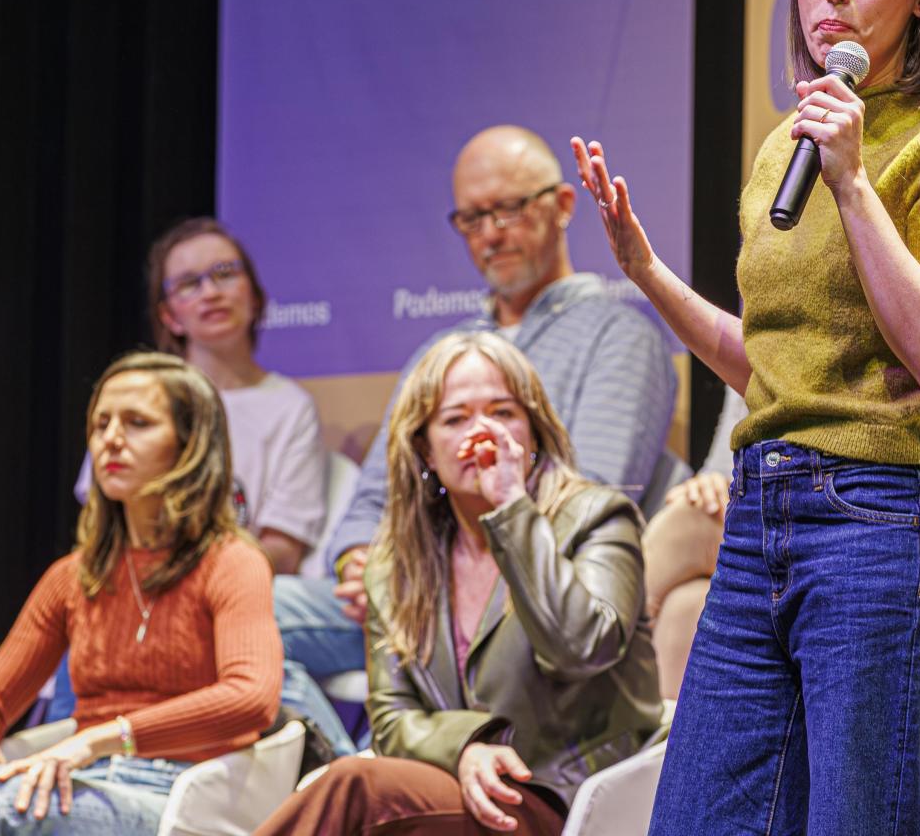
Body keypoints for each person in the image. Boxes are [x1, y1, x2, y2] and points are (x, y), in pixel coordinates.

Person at [574, 0, 920, 831]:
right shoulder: (787, 144)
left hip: (879, 522)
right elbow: (770, 370)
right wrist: (648, 272)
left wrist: (856, 185)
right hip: (759, 517)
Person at [273, 124, 675, 749]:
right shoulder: (438, 352)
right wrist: (363, 567)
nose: (492, 232)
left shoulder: (618, 335)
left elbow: (587, 494)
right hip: (412, 589)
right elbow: (373, 501)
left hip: (529, 595)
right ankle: (332, 758)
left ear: (564, 205)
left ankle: (369, 767)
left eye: (510, 208)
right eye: (473, 217)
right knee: (251, 612)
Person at [254, 332, 661, 835]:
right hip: (459, 788)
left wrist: (512, 507)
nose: (483, 432)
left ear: (532, 431)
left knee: (354, 785)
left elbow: (579, 648)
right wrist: (466, 746)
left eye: (504, 412)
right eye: (455, 419)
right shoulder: (396, 562)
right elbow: (391, 717)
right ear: (424, 448)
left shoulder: (595, 517)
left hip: (572, 796)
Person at [0, 351, 281, 835]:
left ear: (190, 445)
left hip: (181, 796)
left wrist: (103, 739)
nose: (110, 440)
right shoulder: (73, 576)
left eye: (137, 423)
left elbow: (250, 698)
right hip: (84, 783)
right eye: (100, 424)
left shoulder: (233, 563)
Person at [74, 218, 327, 575]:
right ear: (169, 317)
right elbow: (100, 517)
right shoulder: (137, 396)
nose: (210, 292)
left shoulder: (290, 407)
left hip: (235, 590)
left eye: (224, 273)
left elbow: (282, 548)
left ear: (254, 296)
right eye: (189, 283)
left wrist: (194, 584)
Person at [641, 386, 744, 701]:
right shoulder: (754, 337)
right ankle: (655, 745)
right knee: (685, 607)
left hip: (812, 500)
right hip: (742, 499)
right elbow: (722, 463)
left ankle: (595, 672)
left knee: (684, 523)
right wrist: (706, 482)